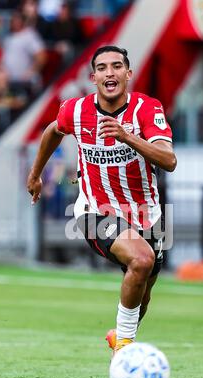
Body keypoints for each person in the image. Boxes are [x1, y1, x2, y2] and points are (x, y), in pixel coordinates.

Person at [27, 45, 177, 354]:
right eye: (103, 68)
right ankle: (124, 350)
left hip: (147, 213)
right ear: (93, 76)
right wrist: (35, 174)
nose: (110, 72)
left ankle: (120, 336)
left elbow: (169, 160)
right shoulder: (75, 109)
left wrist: (127, 136)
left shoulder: (147, 109)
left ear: (128, 73)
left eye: (117, 66)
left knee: (143, 293)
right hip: (95, 210)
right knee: (142, 259)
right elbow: (54, 131)